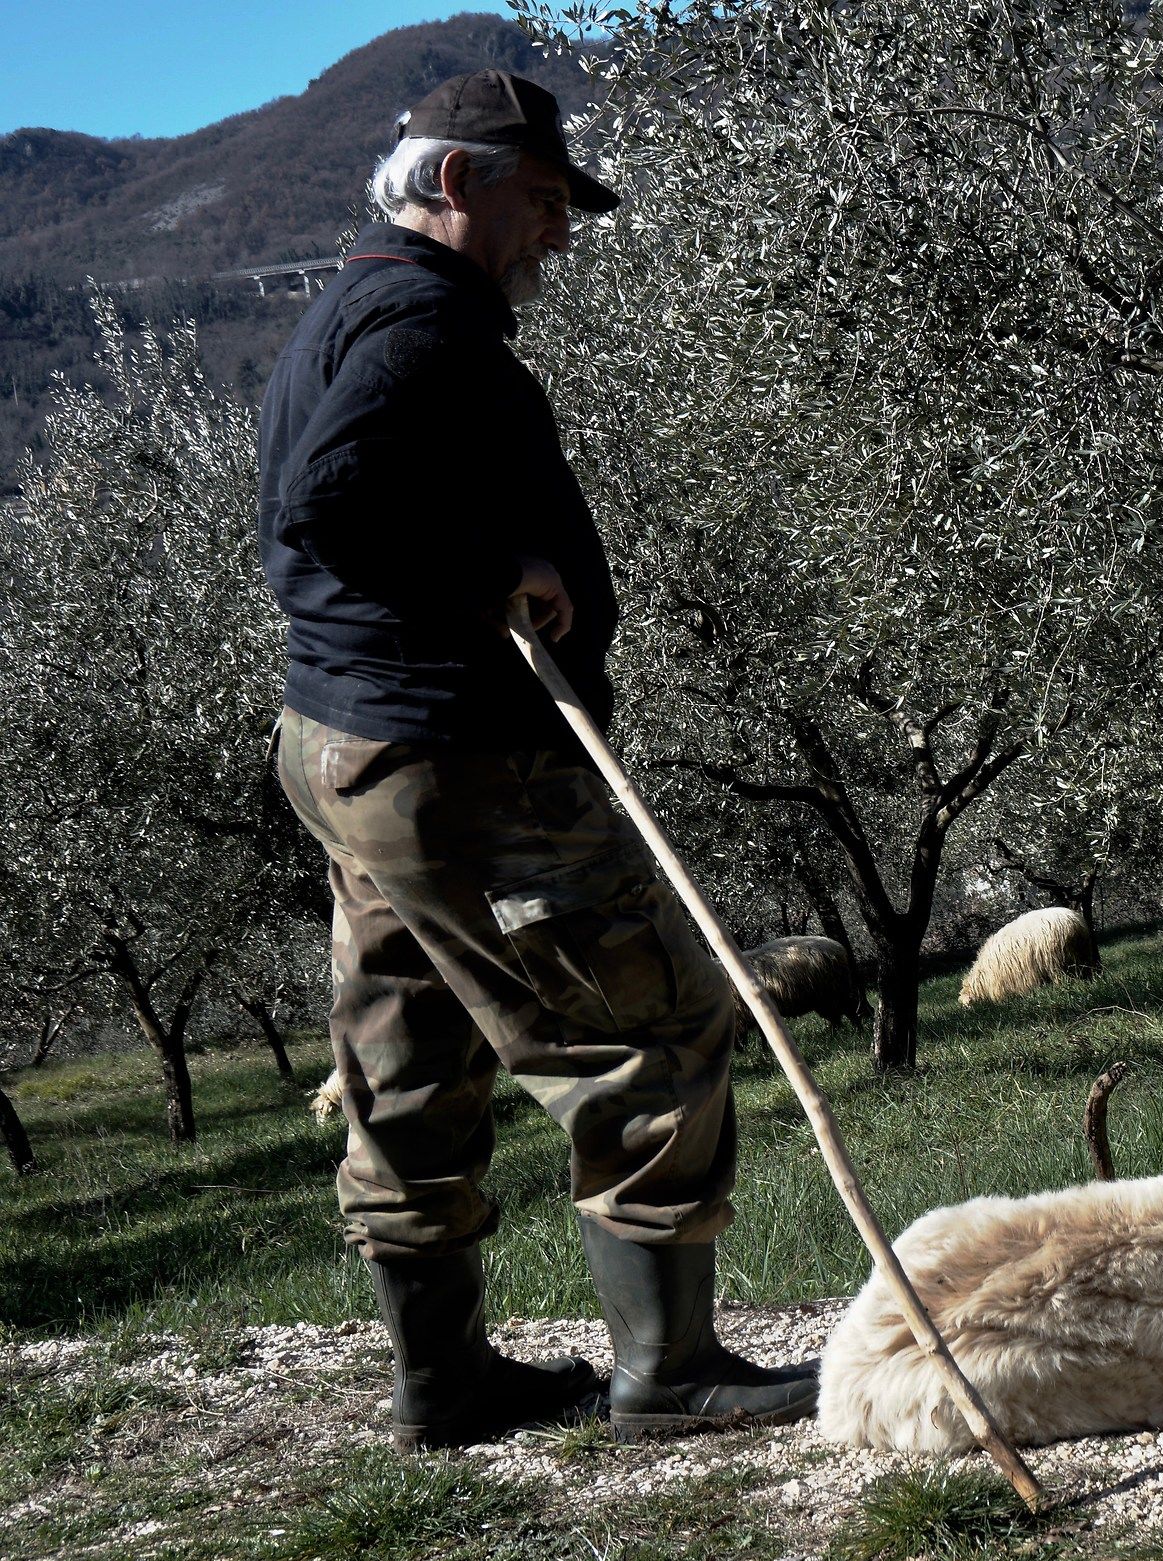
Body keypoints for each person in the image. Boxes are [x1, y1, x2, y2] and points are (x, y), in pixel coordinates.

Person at [257, 70, 818, 1448]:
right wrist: (495, 568)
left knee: (409, 1060)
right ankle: (668, 1372)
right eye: (547, 198)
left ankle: (442, 1384)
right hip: (462, 759)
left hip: (354, 750)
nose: (559, 232)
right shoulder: (423, 323)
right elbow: (327, 502)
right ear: (459, 181)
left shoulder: (346, 309)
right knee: (650, 1031)